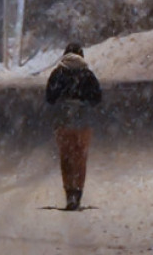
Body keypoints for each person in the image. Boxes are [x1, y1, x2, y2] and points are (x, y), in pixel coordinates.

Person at [45, 42, 102, 211]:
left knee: (66, 156)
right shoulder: (87, 74)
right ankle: (78, 193)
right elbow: (96, 98)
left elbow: (50, 97)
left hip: (62, 118)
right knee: (80, 156)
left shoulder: (57, 73)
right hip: (83, 118)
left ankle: (69, 193)